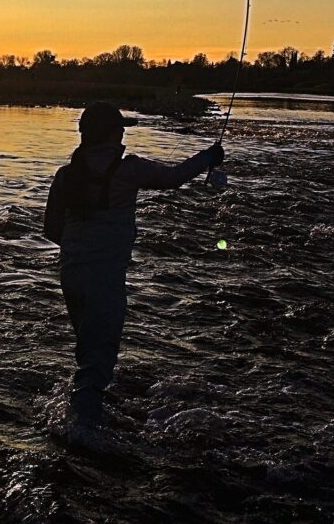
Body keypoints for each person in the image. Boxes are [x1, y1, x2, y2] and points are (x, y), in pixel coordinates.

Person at [44, 101, 224, 427]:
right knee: (99, 356)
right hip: (105, 278)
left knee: (88, 349)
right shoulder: (129, 170)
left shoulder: (66, 175)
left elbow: (51, 230)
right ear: (113, 134)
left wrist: (81, 251)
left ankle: (82, 411)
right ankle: (80, 431)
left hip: (70, 275)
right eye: (120, 128)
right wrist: (208, 157)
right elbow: (174, 177)